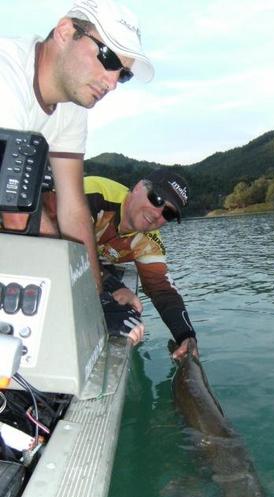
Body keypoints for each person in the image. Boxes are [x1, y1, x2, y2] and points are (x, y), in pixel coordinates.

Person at [0, 0, 153, 344]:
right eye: (109, 58)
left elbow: (73, 210)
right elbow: (16, 218)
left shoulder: (71, 109)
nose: (112, 82)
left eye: (123, 74)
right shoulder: (6, 77)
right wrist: (83, 306)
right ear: (66, 31)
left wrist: (96, 295)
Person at [45, 170, 198, 358]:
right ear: (138, 188)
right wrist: (111, 287)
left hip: (96, 266)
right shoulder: (92, 194)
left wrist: (186, 335)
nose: (158, 213)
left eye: (168, 213)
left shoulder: (149, 240)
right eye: (156, 198)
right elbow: (54, 245)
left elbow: (161, 289)